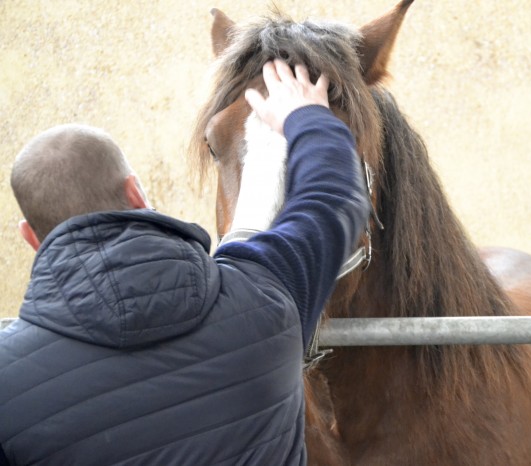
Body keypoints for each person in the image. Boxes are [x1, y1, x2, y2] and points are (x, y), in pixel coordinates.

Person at [0, 60, 369, 465]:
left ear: (30, 238)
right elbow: (331, 198)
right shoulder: (265, 296)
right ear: (136, 193)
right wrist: (309, 118)